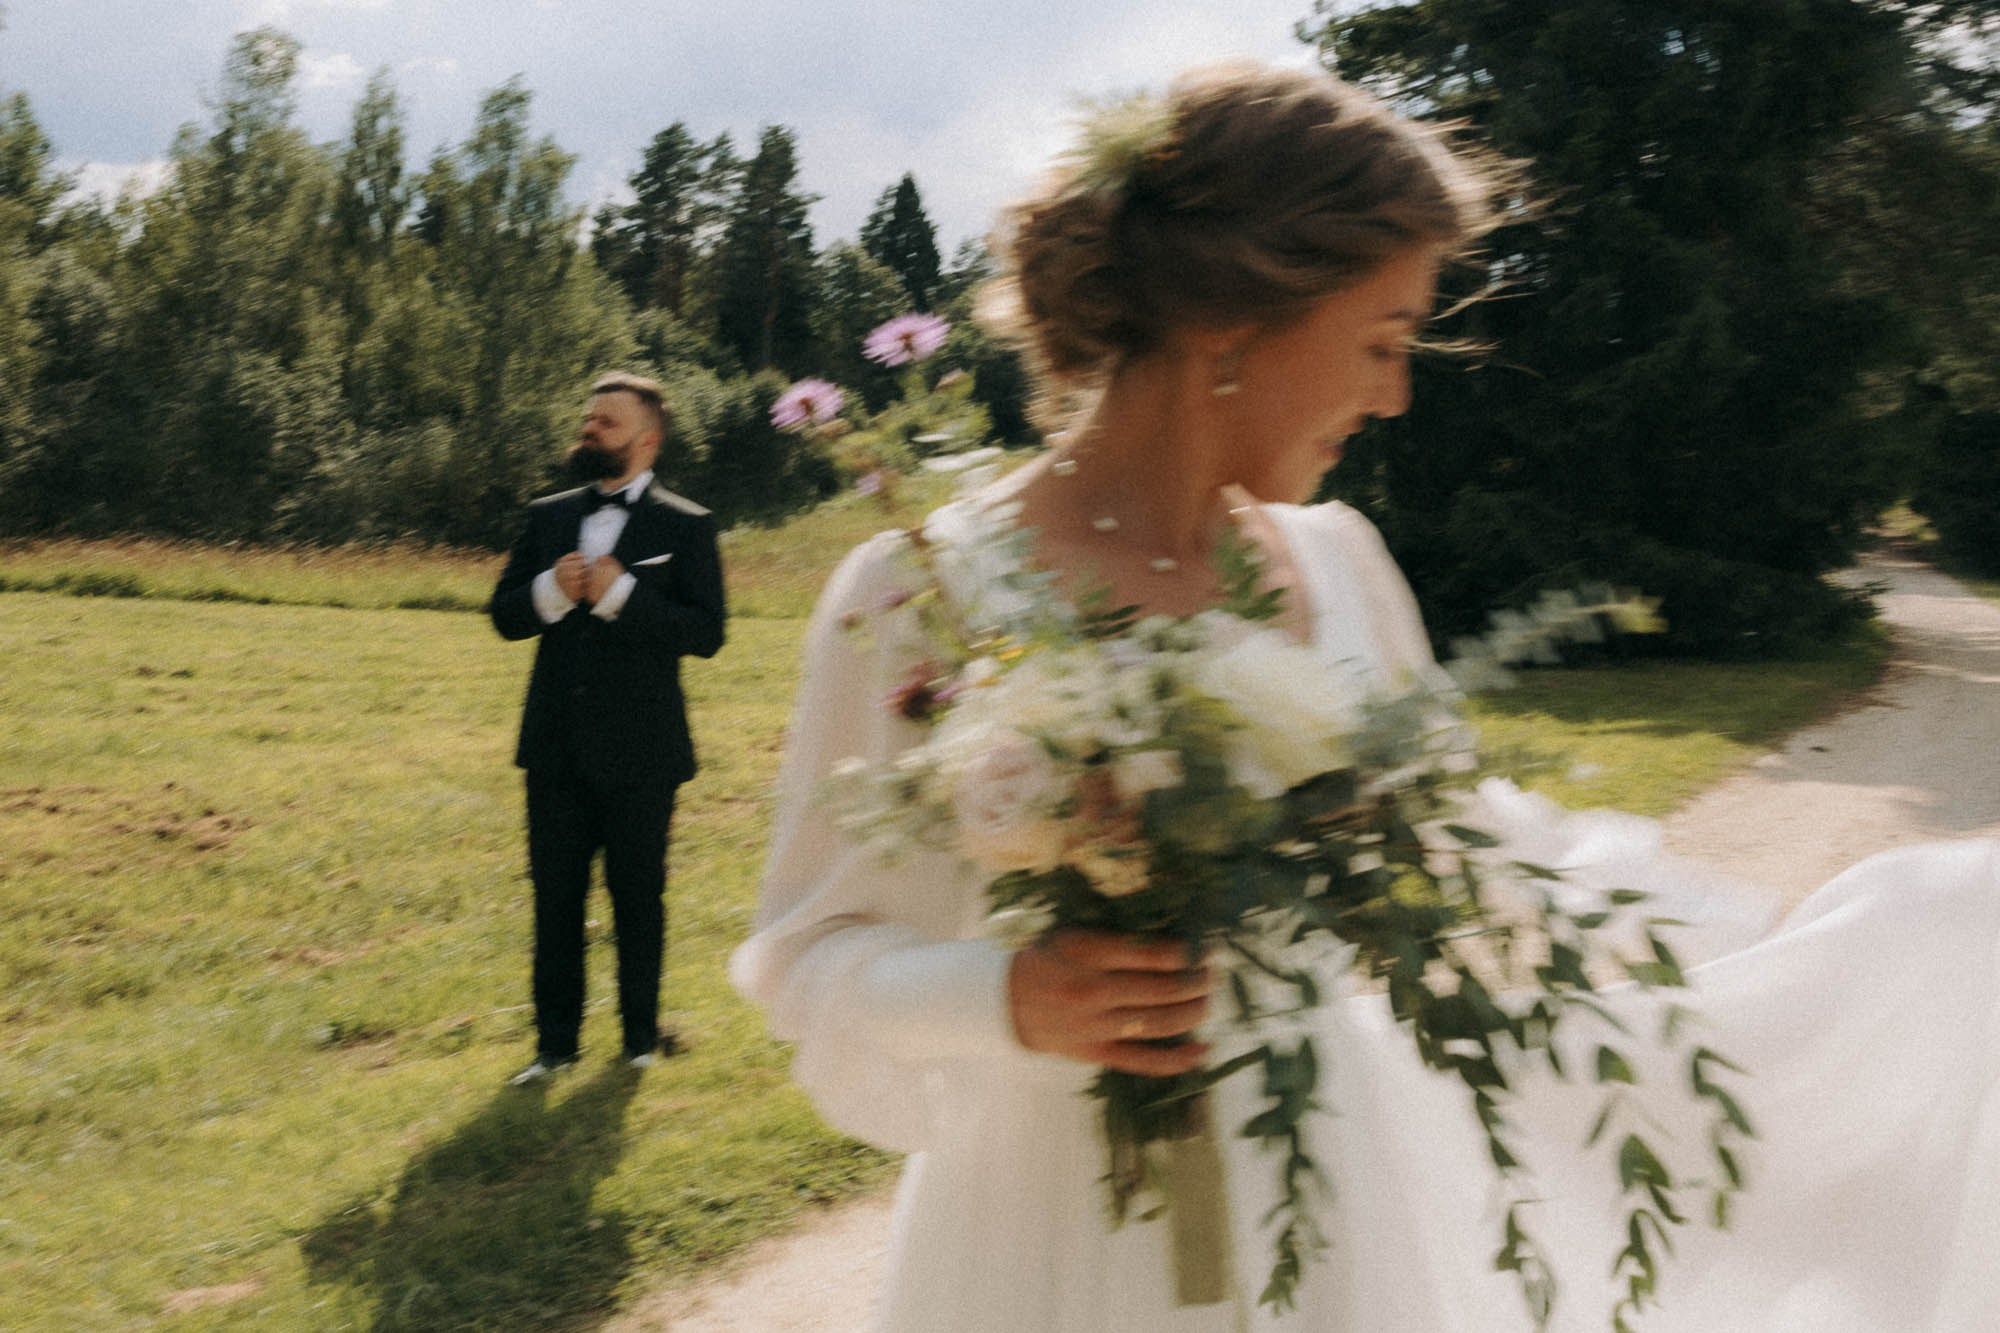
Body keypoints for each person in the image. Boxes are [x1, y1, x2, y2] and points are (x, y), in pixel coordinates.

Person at [732, 62, 2000, 1332]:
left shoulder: (1338, 565)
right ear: (1231, 327)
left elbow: (1472, 853)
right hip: (1043, 1239)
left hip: (1321, 1205)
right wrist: (1004, 994)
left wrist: (1826, 934)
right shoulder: (915, 588)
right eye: (1382, 341)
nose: (1393, 396)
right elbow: (809, 957)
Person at [491, 372, 725, 1086]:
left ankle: (641, 1040)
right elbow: (504, 615)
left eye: (608, 421)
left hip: (644, 749)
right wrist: (548, 593)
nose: (590, 428)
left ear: (646, 441)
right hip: (555, 745)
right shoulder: (549, 515)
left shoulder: (687, 525)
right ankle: (553, 1048)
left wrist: (622, 594)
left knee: (638, 896)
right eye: (589, 416)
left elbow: (706, 633)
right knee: (555, 898)